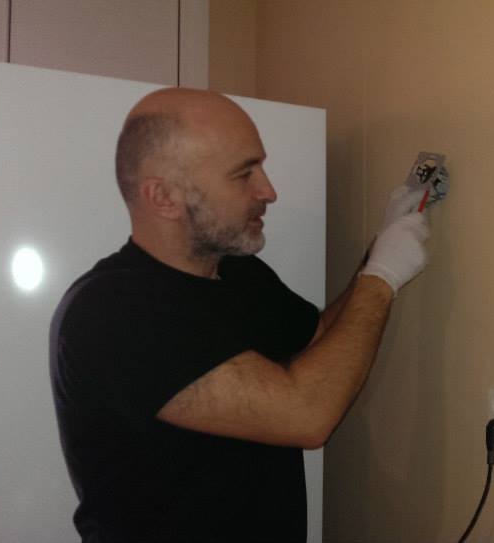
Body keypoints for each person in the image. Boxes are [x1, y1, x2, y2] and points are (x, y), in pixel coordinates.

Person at [49, 88, 429, 542]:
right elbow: (307, 415)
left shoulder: (239, 273)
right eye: (243, 174)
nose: (268, 191)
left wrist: (378, 251)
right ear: (164, 197)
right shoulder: (113, 311)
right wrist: (382, 277)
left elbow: (322, 339)